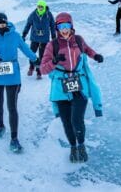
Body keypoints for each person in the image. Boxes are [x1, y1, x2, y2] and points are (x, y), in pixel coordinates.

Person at [40, 12, 104, 163]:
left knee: (77, 119)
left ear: (71, 26)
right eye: (61, 26)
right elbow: (43, 69)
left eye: (67, 25)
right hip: (61, 89)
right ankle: (73, 147)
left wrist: (95, 56)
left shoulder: (78, 40)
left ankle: (81, 145)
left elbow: (87, 50)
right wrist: (54, 61)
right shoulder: (52, 45)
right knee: (67, 122)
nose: (64, 29)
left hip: (78, 86)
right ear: (57, 28)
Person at [0, 12, 38, 153]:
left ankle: (14, 138)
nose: (1, 26)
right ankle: (0, 127)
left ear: (7, 22)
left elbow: (26, 49)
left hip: (13, 77)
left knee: (12, 107)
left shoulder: (15, 36)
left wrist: (35, 59)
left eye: (3, 23)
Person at [22, 0, 56, 80]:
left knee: (42, 56)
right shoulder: (33, 14)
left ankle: (39, 71)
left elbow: (52, 26)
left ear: (44, 7)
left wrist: (54, 36)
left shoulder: (49, 15)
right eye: (38, 6)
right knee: (31, 54)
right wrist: (24, 34)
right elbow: (28, 24)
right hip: (34, 38)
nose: (40, 8)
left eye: (41, 7)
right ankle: (31, 66)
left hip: (44, 39)